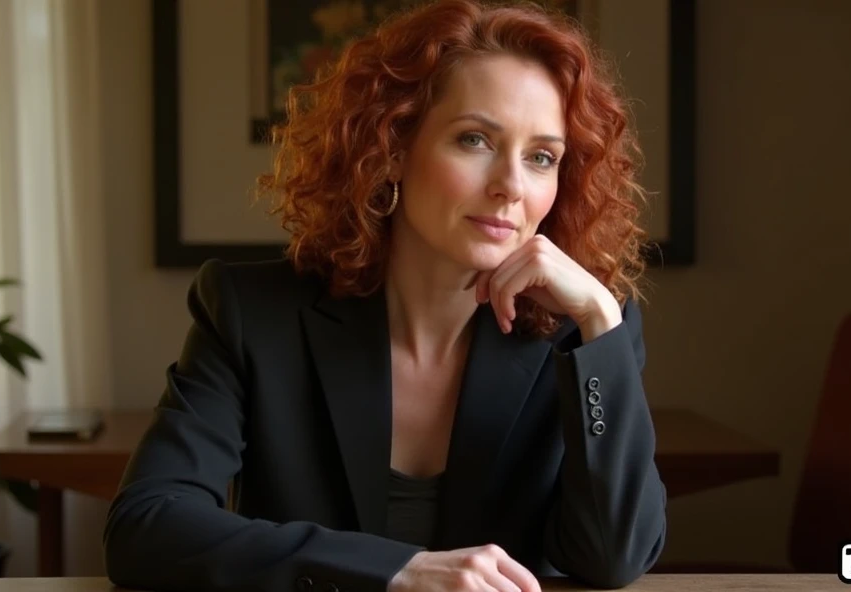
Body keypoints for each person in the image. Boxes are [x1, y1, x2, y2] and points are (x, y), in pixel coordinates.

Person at [103, 0, 667, 590]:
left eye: (542, 157)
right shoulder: (253, 314)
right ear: (393, 148)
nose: (511, 186)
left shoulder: (585, 333)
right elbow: (146, 528)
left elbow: (614, 557)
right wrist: (396, 569)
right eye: (475, 139)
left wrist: (603, 319)